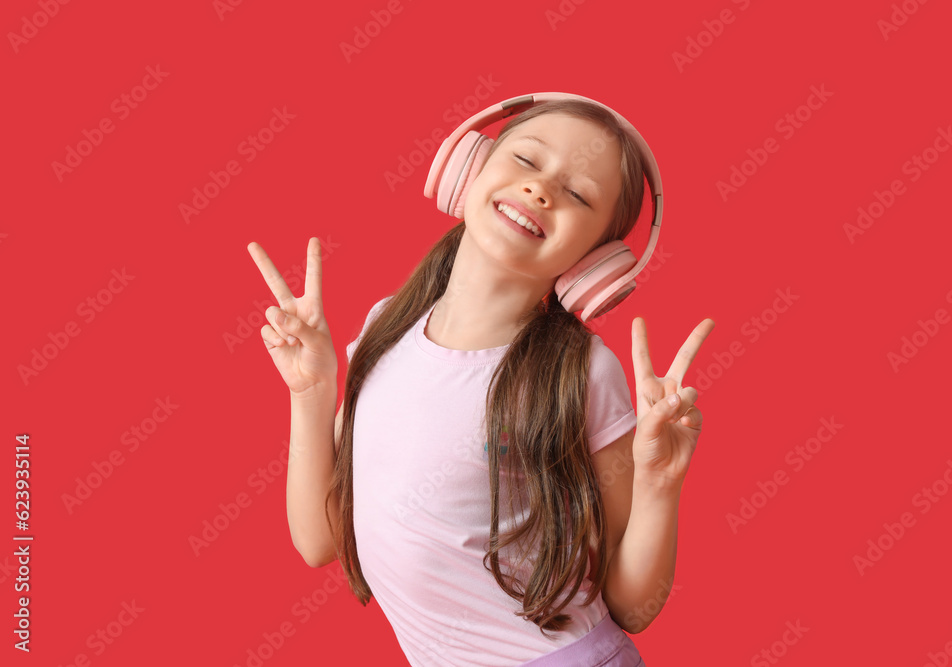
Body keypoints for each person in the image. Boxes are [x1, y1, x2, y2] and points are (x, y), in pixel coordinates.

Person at [248, 93, 714, 666]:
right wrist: (312, 393)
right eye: (526, 160)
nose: (540, 190)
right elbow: (319, 540)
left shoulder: (584, 374)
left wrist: (661, 486)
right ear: (468, 169)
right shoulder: (384, 327)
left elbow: (633, 609)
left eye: (577, 194)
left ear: (598, 262)